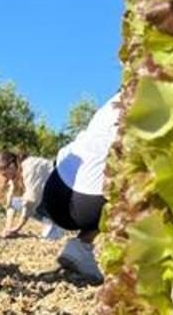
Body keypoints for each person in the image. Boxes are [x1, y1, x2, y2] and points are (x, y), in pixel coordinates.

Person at [41, 94, 121, 285]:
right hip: (85, 204)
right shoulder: (151, 100)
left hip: (54, 188)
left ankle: (80, 250)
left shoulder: (111, 104)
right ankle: (84, 246)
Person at [0, 152, 61, 239]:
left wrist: (17, 228)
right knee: (15, 202)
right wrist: (8, 227)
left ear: (11, 166)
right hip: (52, 197)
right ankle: (50, 222)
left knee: (28, 202)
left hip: (64, 199)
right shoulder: (16, 171)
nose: (5, 178)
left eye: (5, 174)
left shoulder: (31, 168)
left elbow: (31, 201)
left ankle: (57, 224)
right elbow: (10, 202)